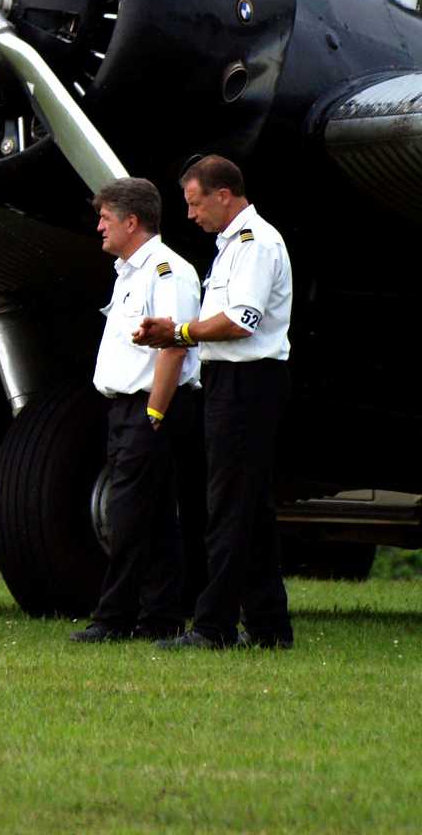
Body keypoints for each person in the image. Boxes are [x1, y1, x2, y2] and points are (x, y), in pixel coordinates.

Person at [133, 155, 295, 650]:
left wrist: (178, 332)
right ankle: (269, 626)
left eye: (195, 202)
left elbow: (241, 319)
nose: (190, 214)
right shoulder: (231, 247)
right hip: (230, 380)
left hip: (248, 383)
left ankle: (213, 626)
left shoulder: (255, 244)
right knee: (250, 507)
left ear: (224, 194)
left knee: (225, 506)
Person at [70, 177, 201, 643]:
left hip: (150, 407)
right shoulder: (130, 272)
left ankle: (113, 618)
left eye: (106, 218)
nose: (99, 227)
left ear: (132, 221)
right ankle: (160, 617)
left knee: (125, 515)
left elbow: (173, 348)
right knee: (156, 517)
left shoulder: (167, 271)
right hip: (126, 408)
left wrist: (154, 416)